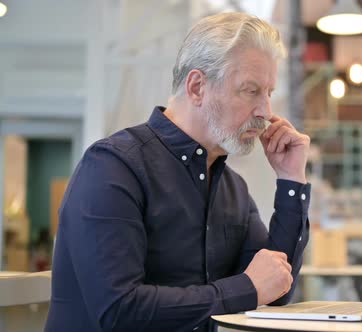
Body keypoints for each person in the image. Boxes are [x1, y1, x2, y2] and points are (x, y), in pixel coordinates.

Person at [45, 12, 311, 332]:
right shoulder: (112, 167)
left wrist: (291, 180)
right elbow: (119, 310)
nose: (266, 112)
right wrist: (246, 289)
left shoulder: (232, 188)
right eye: (250, 90)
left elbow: (274, 290)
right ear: (197, 87)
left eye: (268, 93)